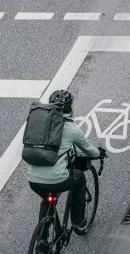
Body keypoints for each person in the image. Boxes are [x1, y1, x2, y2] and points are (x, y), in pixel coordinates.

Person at [27, 90, 107, 232]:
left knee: (47, 199)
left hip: (33, 180)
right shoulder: (71, 128)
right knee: (80, 177)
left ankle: (42, 240)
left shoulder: (40, 124)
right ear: (70, 108)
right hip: (56, 179)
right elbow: (89, 150)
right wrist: (99, 153)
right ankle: (78, 222)